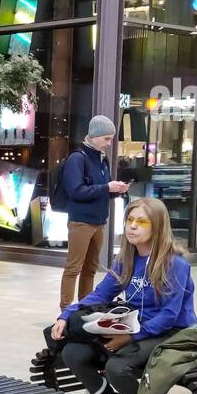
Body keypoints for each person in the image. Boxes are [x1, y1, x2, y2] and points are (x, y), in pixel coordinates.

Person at [47, 197, 197, 394]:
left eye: (141, 221)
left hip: (170, 332)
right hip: (132, 326)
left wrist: (129, 338)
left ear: (158, 227)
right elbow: (100, 295)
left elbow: (169, 315)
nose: (132, 226)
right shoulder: (126, 259)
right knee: (72, 352)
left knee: (117, 367)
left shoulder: (175, 264)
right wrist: (67, 314)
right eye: (129, 220)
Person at [58, 115, 129, 310]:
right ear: (94, 136)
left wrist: (116, 190)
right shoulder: (77, 158)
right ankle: (66, 310)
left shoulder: (101, 159)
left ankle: (85, 306)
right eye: (106, 138)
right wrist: (107, 187)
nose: (109, 143)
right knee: (74, 267)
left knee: (90, 269)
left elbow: (101, 189)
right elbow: (76, 191)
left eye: (111, 138)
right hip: (81, 221)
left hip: (98, 221)